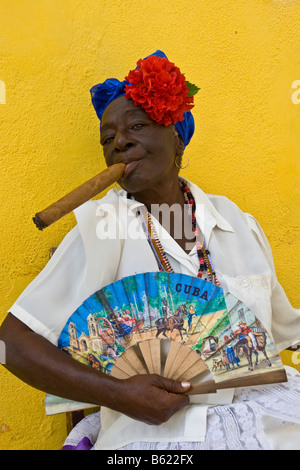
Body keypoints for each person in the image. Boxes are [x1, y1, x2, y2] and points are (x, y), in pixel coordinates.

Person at [1, 51, 300, 451]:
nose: (120, 142)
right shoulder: (103, 228)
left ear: (176, 137)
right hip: (155, 440)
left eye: (137, 126)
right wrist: (120, 395)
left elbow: (280, 334)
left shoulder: (236, 223)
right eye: (108, 139)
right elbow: (12, 344)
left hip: (267, 422)